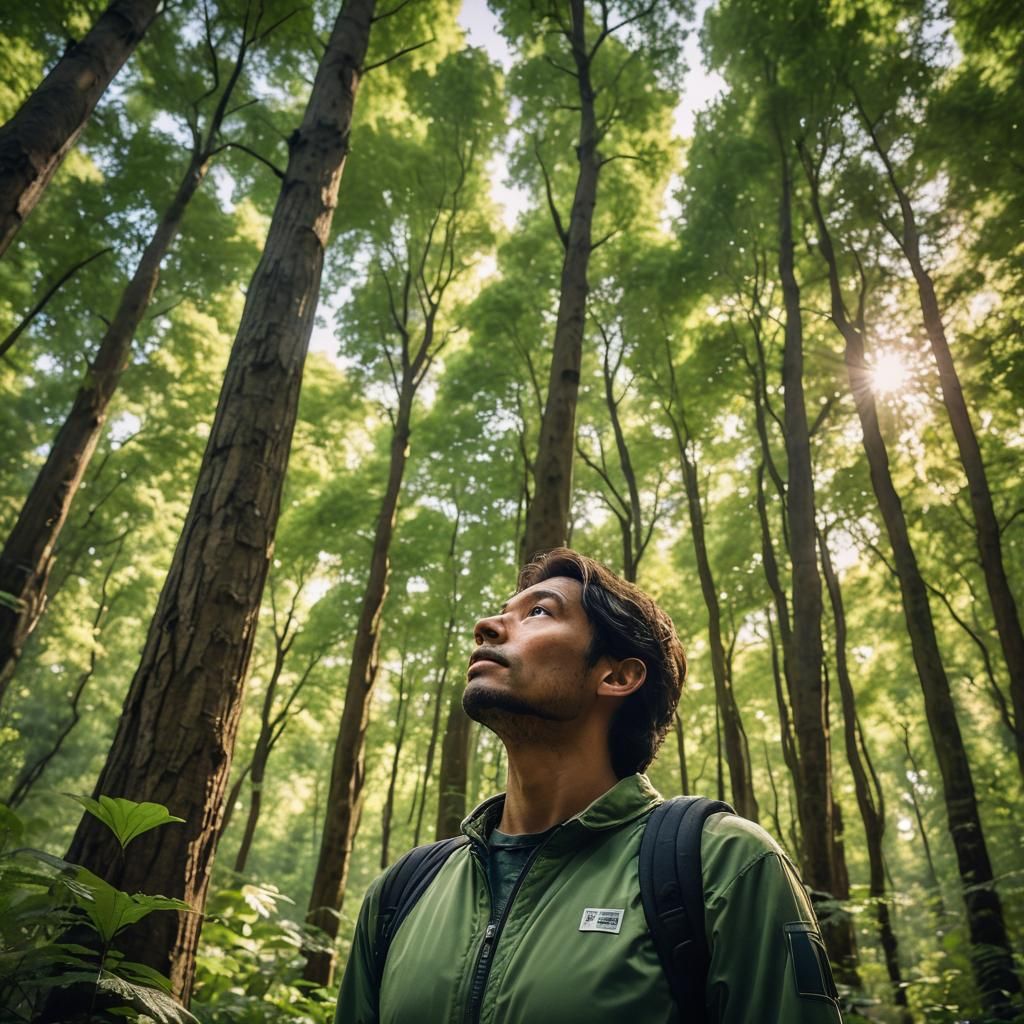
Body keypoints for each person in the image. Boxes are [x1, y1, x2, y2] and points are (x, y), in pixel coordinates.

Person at [335, 548, 843, 1023]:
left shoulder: (722, 865)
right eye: (502, 612)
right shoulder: (402, 891)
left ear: (617, 677)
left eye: (539, 612)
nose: (486, 626)